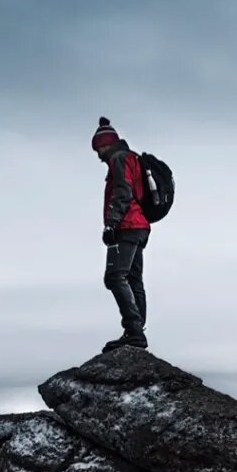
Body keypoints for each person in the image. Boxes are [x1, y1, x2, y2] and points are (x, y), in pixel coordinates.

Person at [91, 117, 150, 352]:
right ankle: (136, 331)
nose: (98, 154)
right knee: (133, 279)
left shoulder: (119, 159)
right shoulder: (132, 158)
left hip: (127, 226)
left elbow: (123, 192)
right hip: (141, 226)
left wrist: (111, 224)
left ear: (108, 144)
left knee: (115, 277)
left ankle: (134, 331)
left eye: (99, 148)